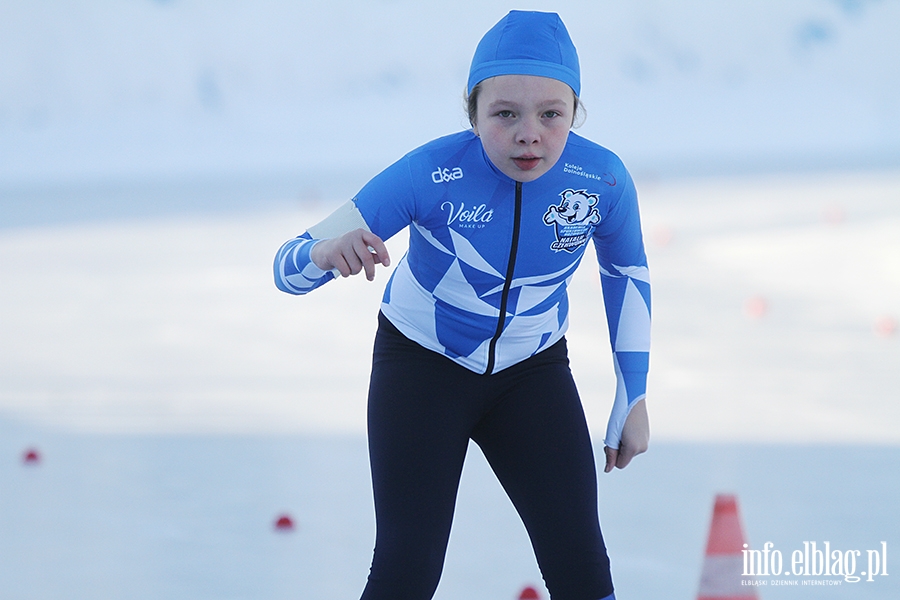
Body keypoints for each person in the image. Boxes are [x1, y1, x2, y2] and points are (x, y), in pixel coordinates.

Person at [274, 10, 650, 600]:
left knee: (582, 567)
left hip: (533, 374)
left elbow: (626, 274)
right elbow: (285, 267)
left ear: (574, 113)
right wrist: (324, 253)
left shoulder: (601, 179)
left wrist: (634, 393)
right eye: (505, 114)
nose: (530, 133)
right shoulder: (431, 172)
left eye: (551, 114)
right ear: (471, 114)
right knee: (407, 568)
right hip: (421, 368)